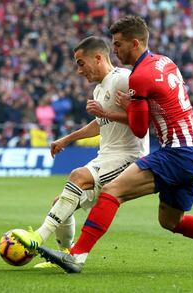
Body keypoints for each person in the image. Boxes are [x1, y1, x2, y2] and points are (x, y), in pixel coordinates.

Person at [25, 16, 193, 273]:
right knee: (171, 221)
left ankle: (76, 255)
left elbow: (138, 127)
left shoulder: (137, 77)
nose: (114, 50)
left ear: (135, 43)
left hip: (176, 152)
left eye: (118, 45)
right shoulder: (165, 62)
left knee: (112, 192)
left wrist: (124, 107)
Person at [12, 36, 149, 268]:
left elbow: (144, 119)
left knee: (77, 176)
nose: (78, 70)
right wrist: (68, 138)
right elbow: (100, 124)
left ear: (98, 58)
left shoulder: (124, 80)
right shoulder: (99, 89)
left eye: (80, 62)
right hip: (107, 156)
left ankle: (38, 237)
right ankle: (64, 255)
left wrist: (106, 114)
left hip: (129, 156)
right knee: (61, 203)